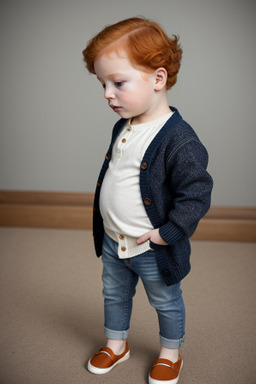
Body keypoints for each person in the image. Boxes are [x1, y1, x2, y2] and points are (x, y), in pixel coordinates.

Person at [82, 17, 213, 384]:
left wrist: (167, 233)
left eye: (118, 83)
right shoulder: (123, 125)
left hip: (150, 245)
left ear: (158, 78)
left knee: (165, 299)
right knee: (114, 293)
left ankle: (171, 353)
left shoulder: (180, 140)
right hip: (114, 238)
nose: (107, 93)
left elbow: (197, 192)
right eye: (102, 84)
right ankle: (116, 343)